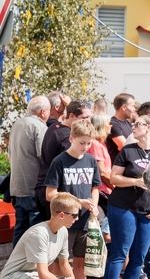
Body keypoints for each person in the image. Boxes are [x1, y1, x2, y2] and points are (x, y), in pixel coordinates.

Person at [104, 115, 150, 279]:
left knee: (138, 258)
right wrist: (135, 181)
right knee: (119, 254)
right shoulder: (128, 150)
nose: (133, 127)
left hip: (148, 211)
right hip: (123, 208)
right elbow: (113, 178)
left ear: (149, 127)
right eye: (133, 124)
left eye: (137, 124)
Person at [45, 120, 101, 279]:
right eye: (82, 142)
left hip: (84, 221)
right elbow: (50, 194)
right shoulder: (59, 161)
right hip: (63, 221)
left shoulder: (91, 160)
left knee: (80, 264)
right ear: (71, 139)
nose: (85, 147)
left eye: (89, 143)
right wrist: (78, 202)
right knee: (57, 264)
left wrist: (93, 205)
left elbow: (95, 188)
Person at [0, 193, 80, 279]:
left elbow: (64, 264)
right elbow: (43, 274)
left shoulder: (63, 231)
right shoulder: (39, 234)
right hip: (13, 276)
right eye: (74, 215)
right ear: (61, 215)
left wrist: (71, 277)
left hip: (33, 275)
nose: (77, 218)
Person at [35, 99, 92, 221]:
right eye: (85, 117)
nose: (88, 121)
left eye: (89, 117)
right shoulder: (66, 137)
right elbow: (73, 166)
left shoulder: (54, 127)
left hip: (45, 189)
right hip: (55, 193)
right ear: (72, 116)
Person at [9, 95, 51, 248]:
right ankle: (32, 266)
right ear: (42, 112)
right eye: (48, 110)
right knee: (35, 229)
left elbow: (10, 155)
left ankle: (14, 265)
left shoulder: (17, 124)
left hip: (18, 186)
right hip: (33, 186)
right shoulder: (39, 126)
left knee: (20, 228)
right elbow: (44, 157)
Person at [88, 113, 114, 215]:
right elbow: (101, 172)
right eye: (109, 123)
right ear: (101, 125)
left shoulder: (100, 143)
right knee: (104, 228)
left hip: (105, 189)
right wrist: (116, 187)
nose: (111, 125)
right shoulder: (95, 144)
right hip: (101, 191)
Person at [106, 93, 136, 163]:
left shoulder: (128, 124)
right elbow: (124, 146)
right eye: (132, 106)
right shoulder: (113, 124)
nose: (134, 109)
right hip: (116, 167)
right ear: (123, 107)